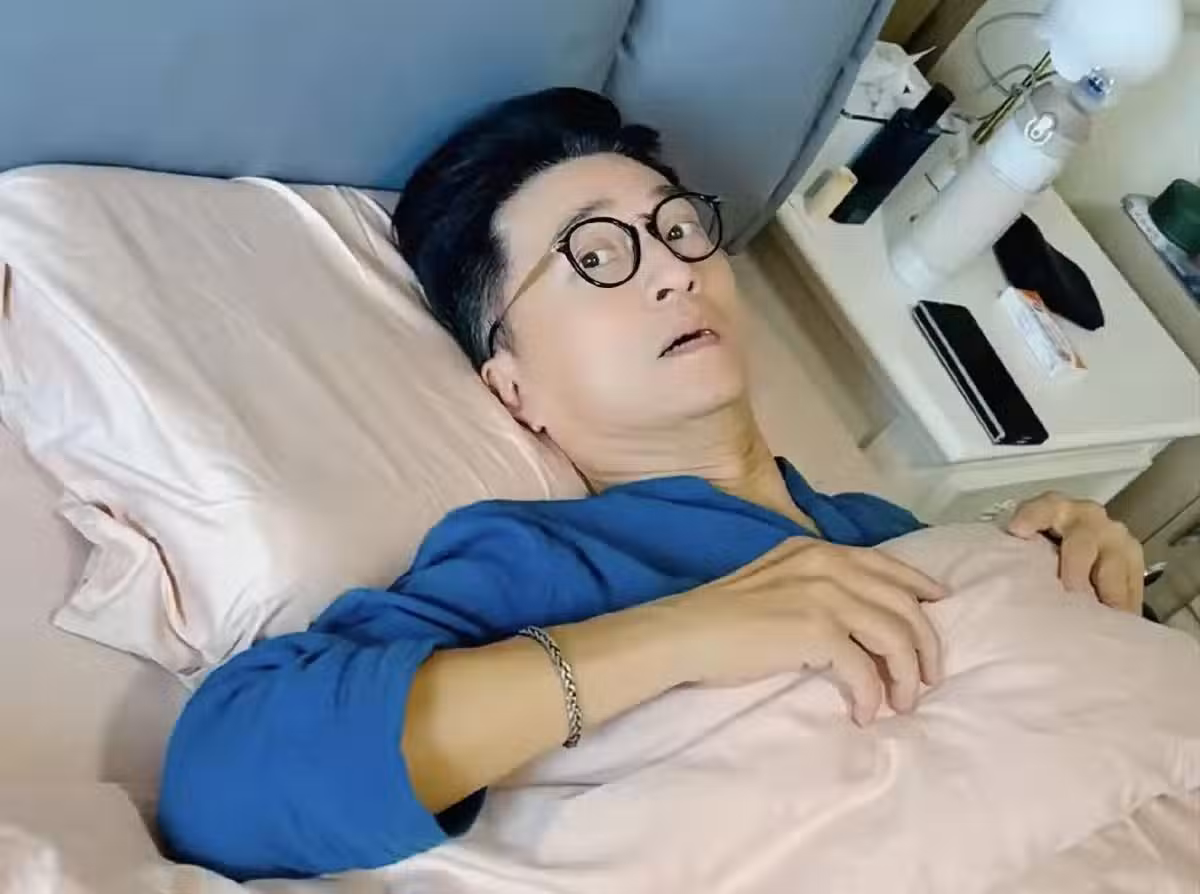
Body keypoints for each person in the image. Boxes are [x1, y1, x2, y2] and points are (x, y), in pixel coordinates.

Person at [158, 87, 1145, 881]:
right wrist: (689, 633)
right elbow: (225, 789)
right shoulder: (542, 556)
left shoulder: (881, 526)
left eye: (677, 229)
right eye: (595, 257)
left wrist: (1063, 576)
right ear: (514, 385)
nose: (672, 272)